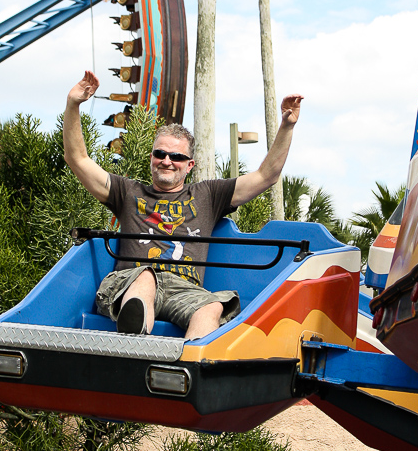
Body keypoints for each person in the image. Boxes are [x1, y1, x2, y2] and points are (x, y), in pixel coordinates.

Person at [63, 70, 303, 340]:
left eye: (176, 156)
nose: (167, 160)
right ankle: (135, 339)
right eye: (160, 153)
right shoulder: (127, 191)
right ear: (152, 157)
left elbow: (266, 176)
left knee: (212, 304)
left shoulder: (208, 195)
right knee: (146, 278)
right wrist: (73, 105)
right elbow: (78, 160)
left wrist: (287, 126)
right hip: (133, 281)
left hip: (183, 290)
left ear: (189, 165)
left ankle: (188, 368)